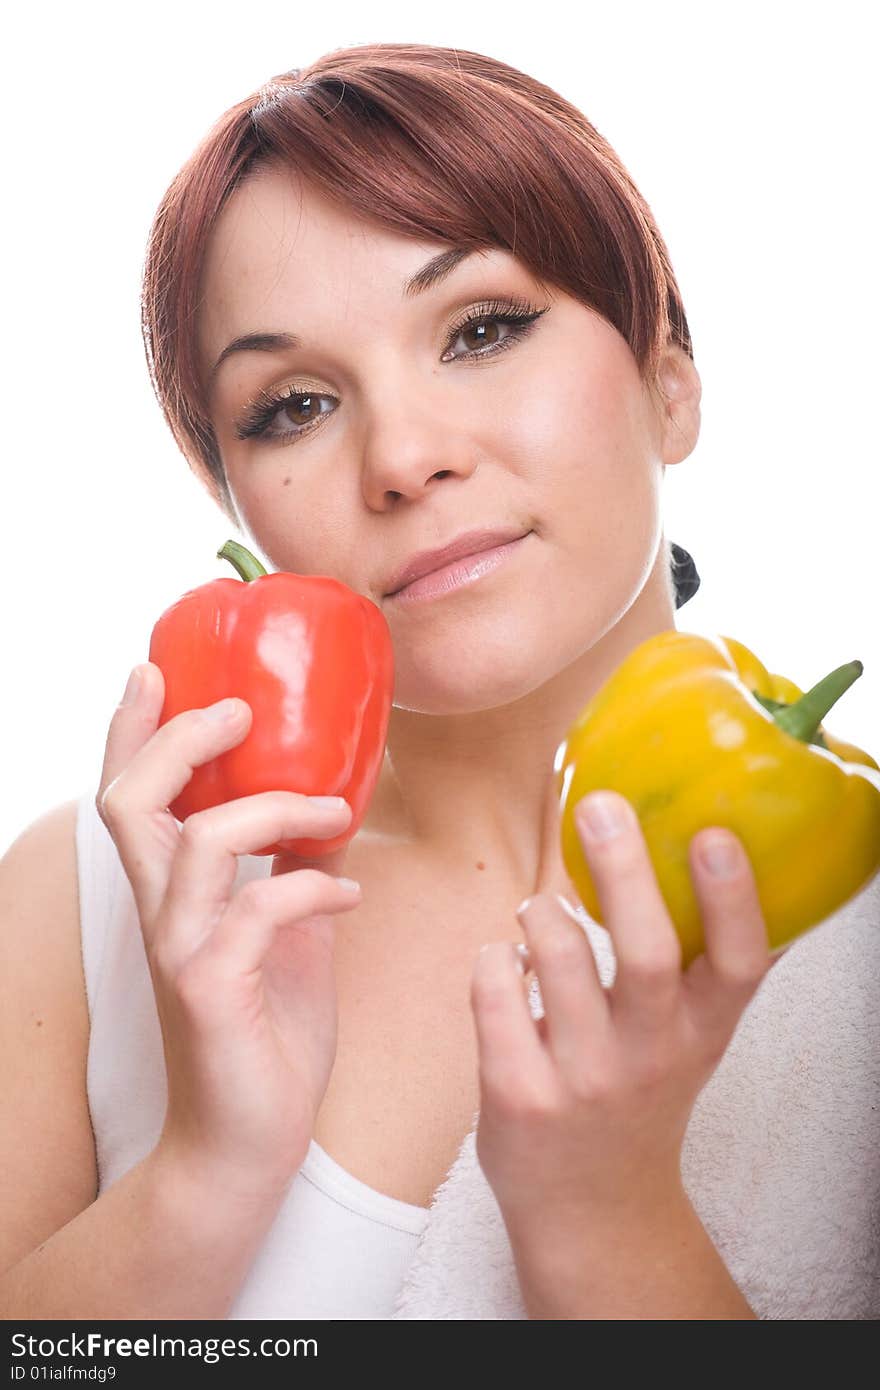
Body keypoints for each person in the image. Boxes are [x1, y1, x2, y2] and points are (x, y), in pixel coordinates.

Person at [1, 43, 876, 1322]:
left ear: (669, 381)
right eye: (293, 405)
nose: (402, 458)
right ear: (232, 498)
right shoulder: (79, 906)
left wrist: (603, 1209)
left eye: (480, 329)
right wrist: (206, 1172)